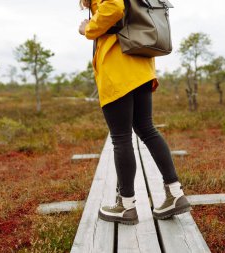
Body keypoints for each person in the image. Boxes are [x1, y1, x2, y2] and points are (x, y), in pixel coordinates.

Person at [78, 0, 190, 225]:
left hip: (118, 65)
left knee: (121, 138)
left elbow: (114, 7)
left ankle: (126, 206)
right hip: (140, 62)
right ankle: (175, 193)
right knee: (147, 129)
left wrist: (87, 29)